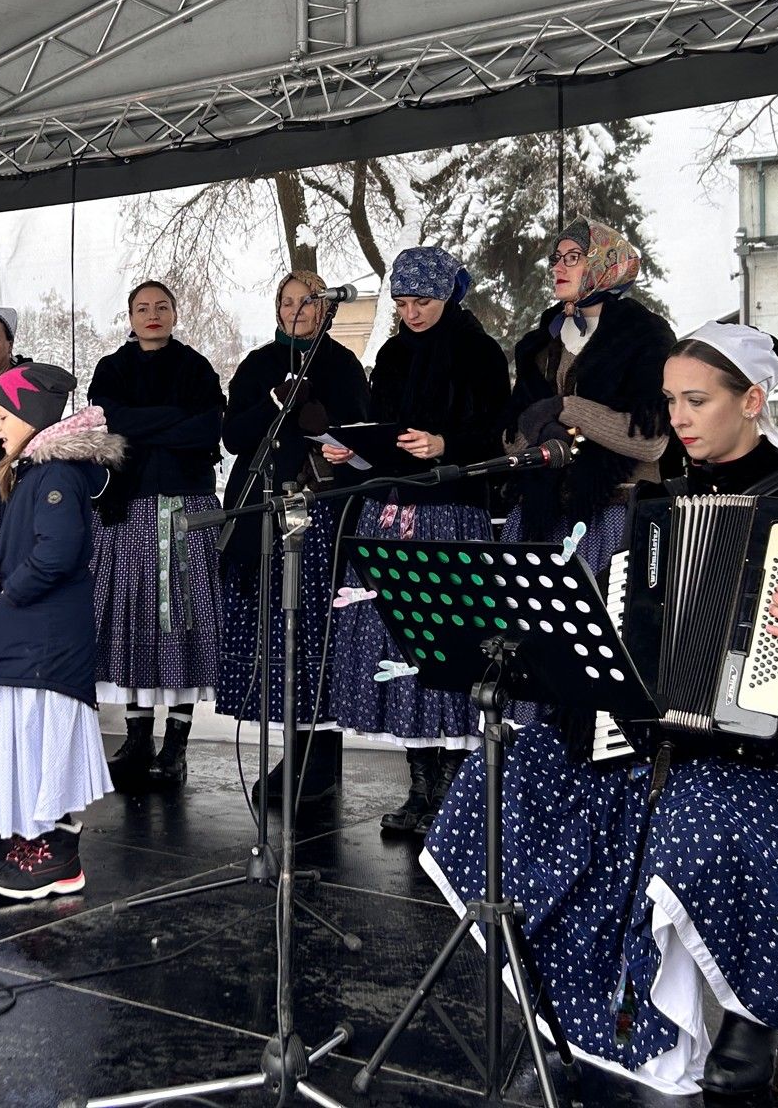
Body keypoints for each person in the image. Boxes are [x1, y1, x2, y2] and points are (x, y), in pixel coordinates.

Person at [422, 321, 778, 1097]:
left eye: (696, 400)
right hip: (667, 728)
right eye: (671, 400)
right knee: (515, 770)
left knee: (703, 806)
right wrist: (590, 680)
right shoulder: (663, 500)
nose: (678, 416)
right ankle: (580, 991)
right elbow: (631, 628)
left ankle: (752, 1012)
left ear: (752, 399)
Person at [324, 246, 509, 836]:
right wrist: (351, 451)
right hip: (393, 511)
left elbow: (497, 435)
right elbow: (381, 432)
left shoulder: (479, 351)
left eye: (422, 302)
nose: (411, 314)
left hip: (451, 514)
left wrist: (445, 444)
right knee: (400, 646)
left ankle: (459, 788)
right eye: (402, 304)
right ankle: (421, 782)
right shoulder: (391, 353)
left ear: (448, 294)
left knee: (449, 644)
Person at [0, 364, 125, 900]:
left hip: (42, 642)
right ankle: (37, 843)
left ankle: (56, 858)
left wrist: (7, 597)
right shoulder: (36, 472)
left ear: (31, 417)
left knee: (39, 741)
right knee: (27, 743)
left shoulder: (53, 476)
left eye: (4, 417)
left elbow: (55, 553)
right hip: (27, 639)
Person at [215, 270, 370, 801]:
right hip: (262, 507)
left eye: (308, 301)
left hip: (319, 512)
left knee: (311, 627)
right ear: (276, 307)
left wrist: (328, 436)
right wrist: (273, 405)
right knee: (275, 630)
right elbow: (233, 436)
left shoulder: (342, 365)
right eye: (287, 301)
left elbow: (359, 434)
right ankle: (292, 747)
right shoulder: (258, 363)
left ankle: (320, 758)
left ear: (326, 309)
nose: (297, 309)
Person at [87, 281, 227, 790]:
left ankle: (176, 745)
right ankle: (136, 737)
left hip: (184, 509)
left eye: (161, 307)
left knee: (179, 620)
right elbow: (108, 424)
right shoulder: (112, 368)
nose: (152, 315)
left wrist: (139, 427)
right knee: (132, 618)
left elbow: (208, 429)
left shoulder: (196, 367)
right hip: (125, 509)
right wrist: (173, 421)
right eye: (142, 308)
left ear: (174, 313)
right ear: (129, 315)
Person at [502, 219, 679, 575]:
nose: (556, 267)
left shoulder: (645, 337)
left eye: (572, 257)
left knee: (603, 620)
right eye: (556, 258)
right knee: (530, 623)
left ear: (604, 264)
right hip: (540, 514)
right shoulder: (539, 343)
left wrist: (566, 409)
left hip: (612, 512)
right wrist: (542, 433)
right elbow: (512, 437)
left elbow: (650, 442)